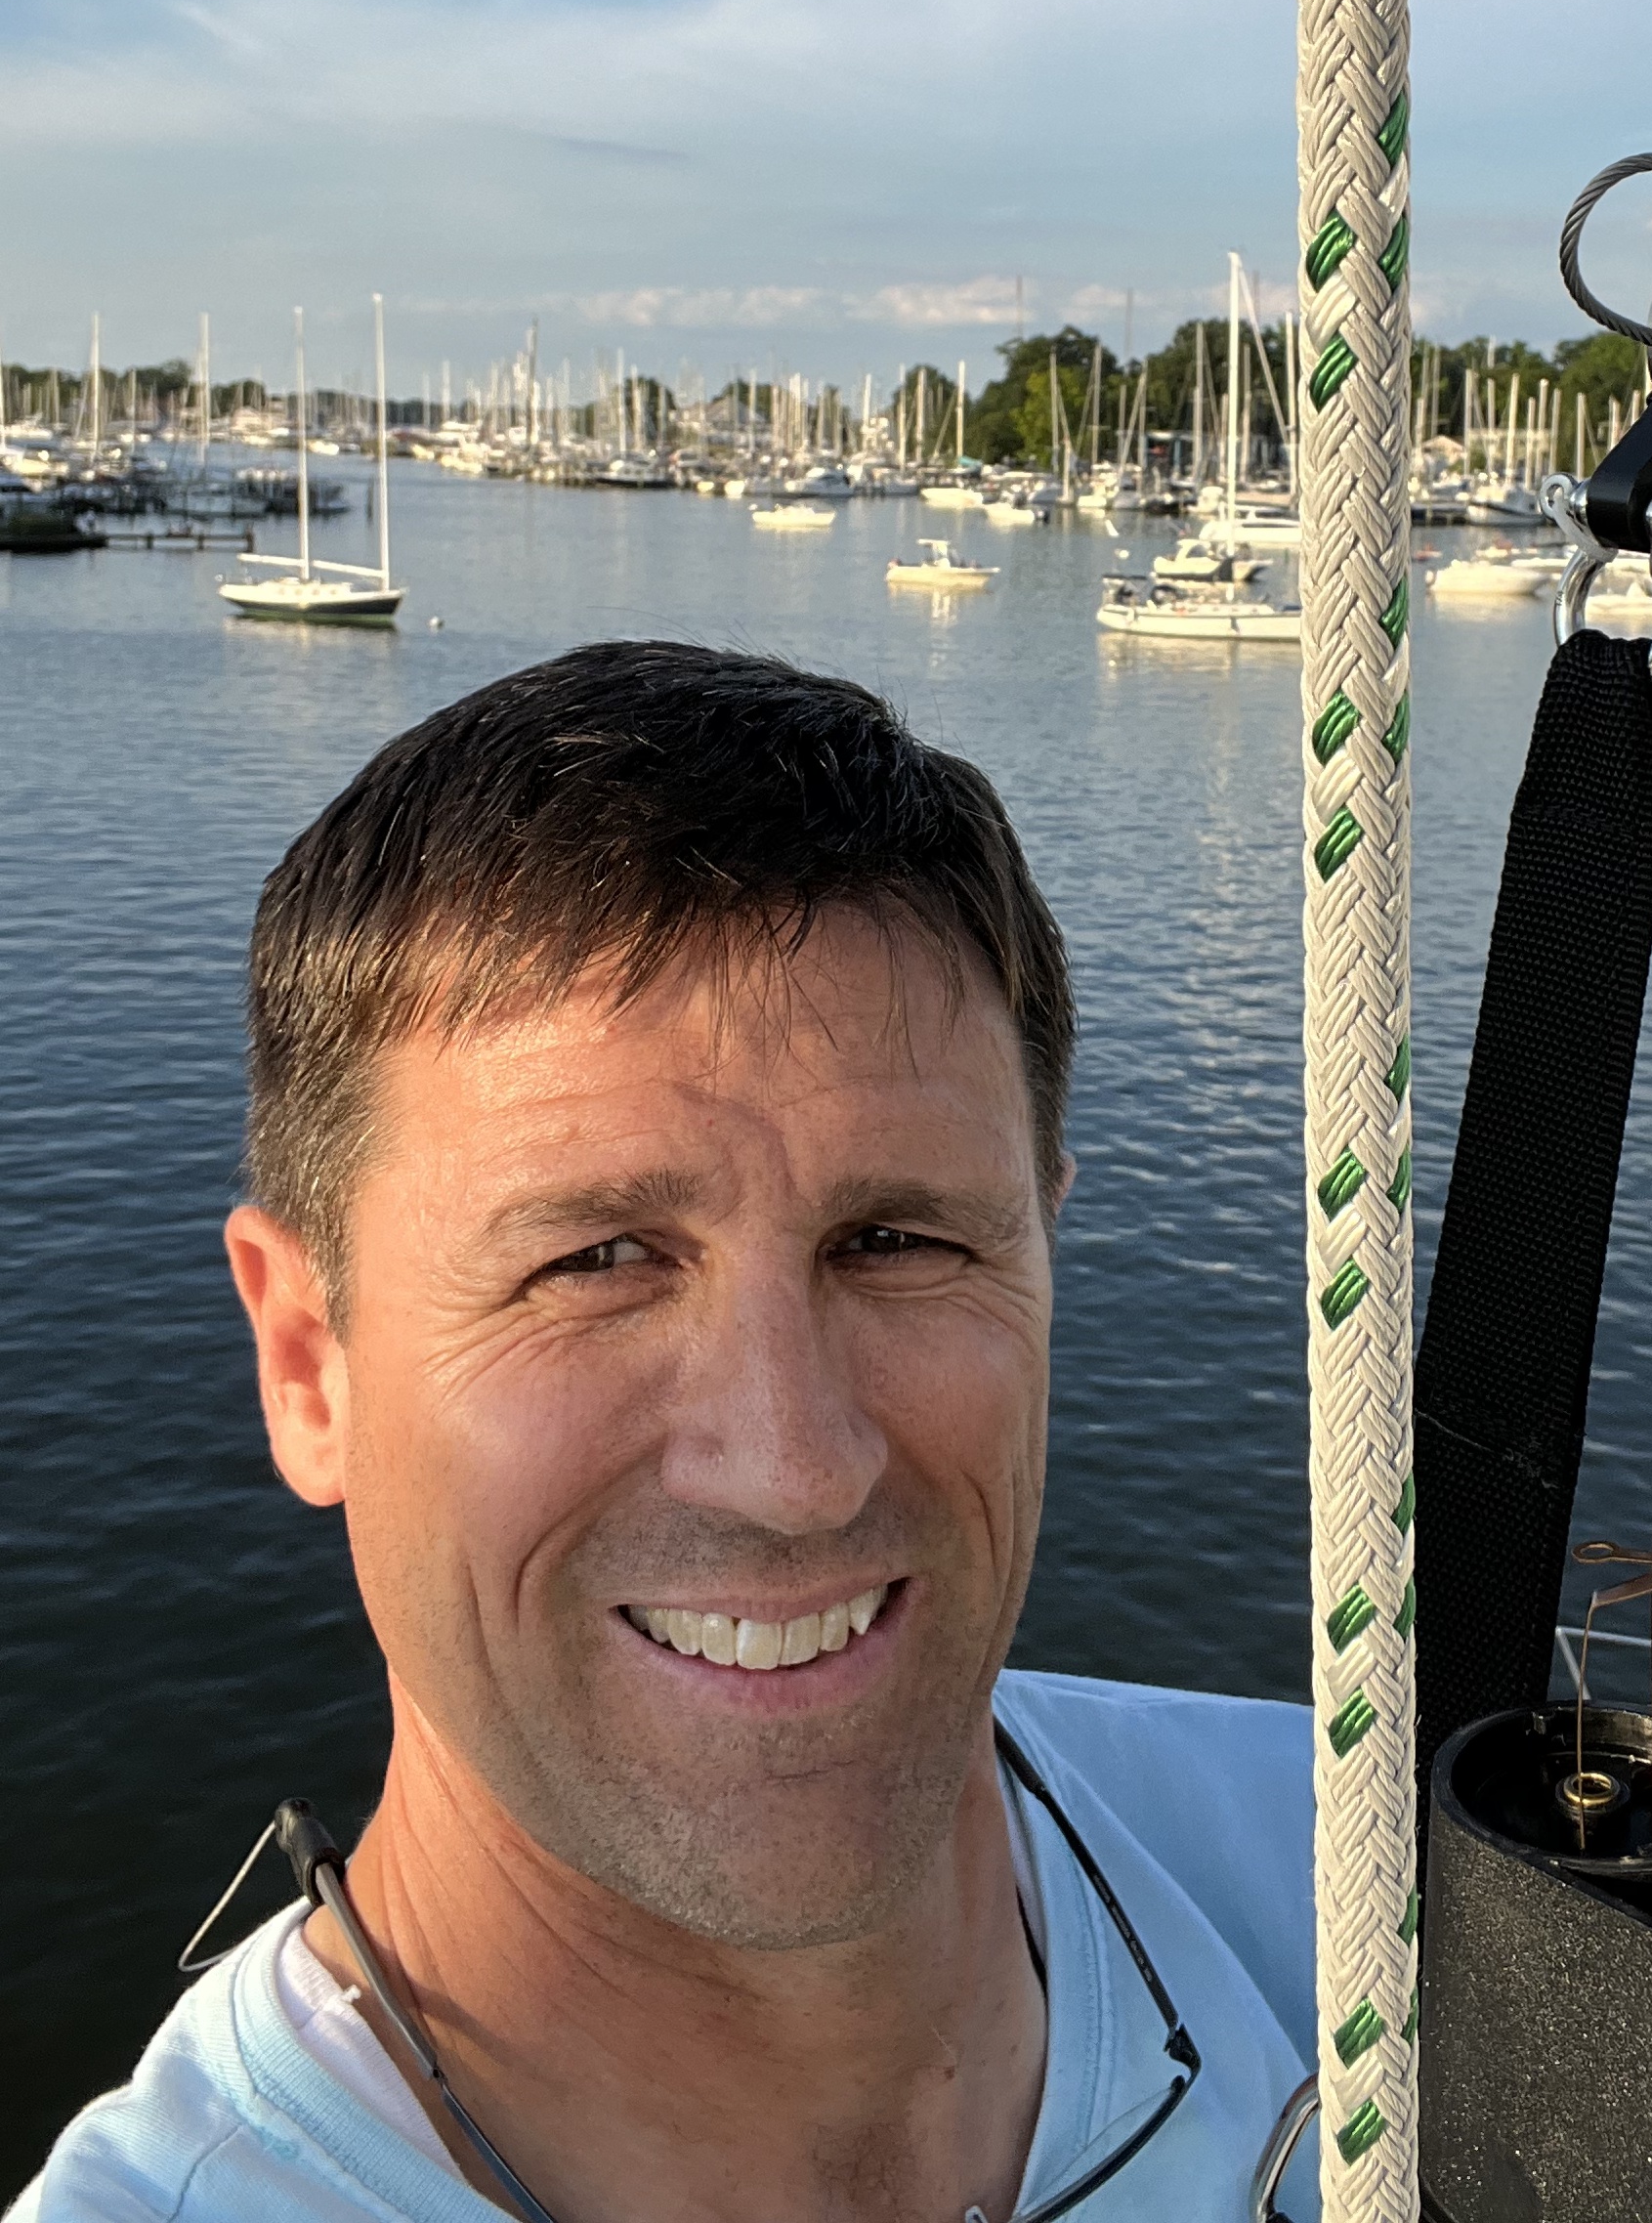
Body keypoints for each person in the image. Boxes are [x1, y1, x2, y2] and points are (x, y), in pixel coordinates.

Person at [17, 645, 1318, 2222]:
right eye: (595, 1261)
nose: (794, 1469)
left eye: (897, 1241)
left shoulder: (1370, 1885)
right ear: (308, 1366)